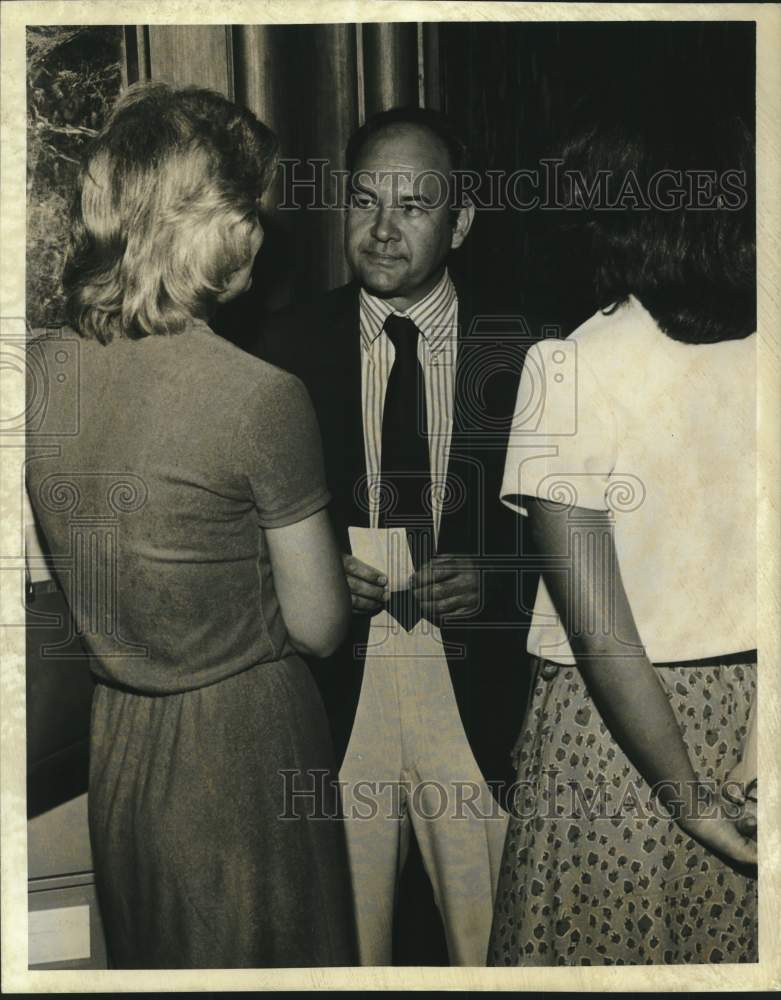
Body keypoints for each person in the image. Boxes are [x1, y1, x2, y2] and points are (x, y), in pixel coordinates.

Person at [25, 82, 357, 969]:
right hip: (244, 750)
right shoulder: (258, 397)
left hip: (119, 746)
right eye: (248, 207)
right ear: (215, 225)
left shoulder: (39, 374)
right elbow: (321, 627)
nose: (259, 231)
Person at [255, 106, 532, 966]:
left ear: (461, 222)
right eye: (365, 200)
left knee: (493, 950)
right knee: (342, 955)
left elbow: (590, 543)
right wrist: (305, 573)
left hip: (476, 694)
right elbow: (237, 530)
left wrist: (498, 581)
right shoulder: (279, 351)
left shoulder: (530, 349)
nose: (381, 228)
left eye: (413, 206)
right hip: (339, 694)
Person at [488, 90, 758, 966]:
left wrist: (687, 800)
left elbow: (601, 633)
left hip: (615, 742)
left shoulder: (566, 367)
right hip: (754, 723)